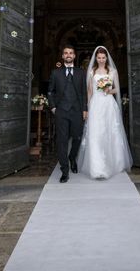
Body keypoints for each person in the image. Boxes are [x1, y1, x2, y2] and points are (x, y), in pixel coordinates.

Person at [77, 46, 132, 179]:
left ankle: (114, 164)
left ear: (107, 58)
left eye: (103, 57)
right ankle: (97, 167)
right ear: (95, 58)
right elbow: (89, 91)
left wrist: (109, 91)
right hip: (95, 104)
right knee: (95, 133)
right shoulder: (92, 71)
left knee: (110, 132)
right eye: (99, 58)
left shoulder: (112, 71)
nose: (101, 60)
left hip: (108, 104)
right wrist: (87, 107)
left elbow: (117, 89)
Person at [47, 45, 88, 183]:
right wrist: (53, 108)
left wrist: (85, 109)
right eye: (66, 53)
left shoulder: (81, 72)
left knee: (77, 137)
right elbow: (50, 92)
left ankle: (72, 157)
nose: (68, 55)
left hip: (77, 110)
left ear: (74, 56)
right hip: (61, 111)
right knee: (62, 141)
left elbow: (84, 93)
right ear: (63, 56)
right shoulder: (55, 73)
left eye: (71, 53)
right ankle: (64, 170)